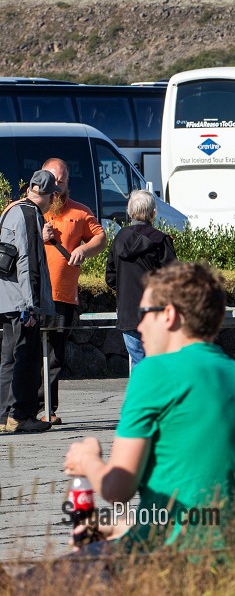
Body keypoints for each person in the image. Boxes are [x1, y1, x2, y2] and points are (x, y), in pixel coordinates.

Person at [61, 262, 235, 551]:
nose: (138, 325)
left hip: (168, 561)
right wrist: (121, 527)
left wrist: (87, 460)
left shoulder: (155, 372)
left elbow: (117, 489)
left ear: (169, 315)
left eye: (144, 313)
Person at [39, 158, 106, 424]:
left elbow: (100, 237)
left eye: (61, 180)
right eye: (51, 180)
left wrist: (83, 249)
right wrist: (38, 236)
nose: (56, 186)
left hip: (62, 296)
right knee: (28, 353)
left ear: (67, 182)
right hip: (31, 295)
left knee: (55, 355)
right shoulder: (30, 210)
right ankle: (21, 409)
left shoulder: (80, 212)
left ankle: (48, 410)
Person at [0, 170, 58, 434]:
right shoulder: (29, 214)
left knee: (9, 359)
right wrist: (30, 306)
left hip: (6, 298)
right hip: (21, 302)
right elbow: (28, 263)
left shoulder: (10, 210)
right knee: (27, 358)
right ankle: (20, 416)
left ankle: (2, 417)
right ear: (47, 195)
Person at [104, 189, 178, 366]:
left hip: (128, 313)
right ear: (153, 213)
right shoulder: (161, 240)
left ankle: (141, 393)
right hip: (156, 312)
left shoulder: (119, 239)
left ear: (129, 212)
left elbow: (110, 278)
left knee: (138, 362)